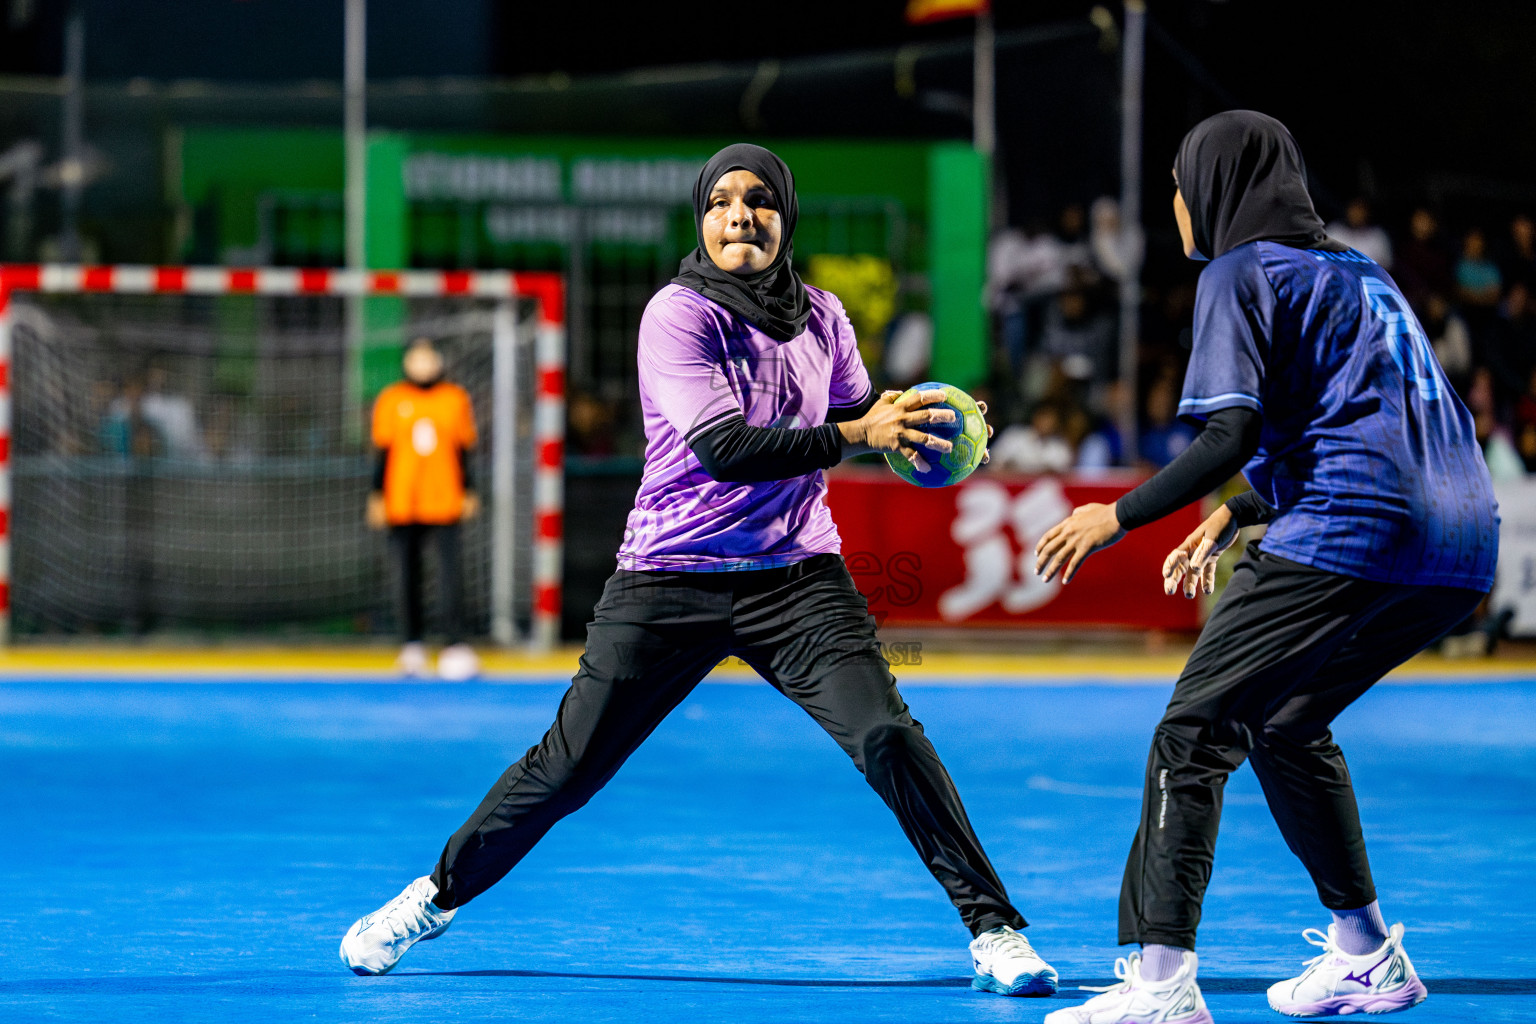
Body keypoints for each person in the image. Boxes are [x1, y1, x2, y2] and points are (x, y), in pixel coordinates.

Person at [339, 144, 1058, 997]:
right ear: (701, 221)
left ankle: (995, 930)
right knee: (566, 769)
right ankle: (433, 897)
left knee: (888, 736)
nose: (739, 215)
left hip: (796, 580)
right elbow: (724, 449)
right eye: (720, 202)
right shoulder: (678, 314)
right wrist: (858, 435)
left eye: (759, 200)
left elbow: (860, 415)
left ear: (786, 217)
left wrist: (930, 421)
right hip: (667, 576)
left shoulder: (824, 317)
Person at [1032, 111, 1499, 1024]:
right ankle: (1365, 955)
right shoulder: (1364, 274)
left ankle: (1159, 983)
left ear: (1212, 187)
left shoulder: (1239, 272)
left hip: (1351, 525)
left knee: (1192, 732)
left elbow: (1231, 429)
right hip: (1461, 539)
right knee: (1286, 722)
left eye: (1178, 183)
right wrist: (1243, 511)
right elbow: (1361, 422)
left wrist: (1116, 515)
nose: (1173, 202)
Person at [368, 338, 481, 681]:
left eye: (429, 356)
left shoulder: (454, 398)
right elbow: (382, 452)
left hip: (444, 497)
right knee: (406, 574)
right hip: (403, 500)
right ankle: (412, 645)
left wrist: (469, 489)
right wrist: (376, 495)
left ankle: (453, 645)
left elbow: (464, 449)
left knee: (450, 574)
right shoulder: (391, 399)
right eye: (417, 357)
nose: (423, 363)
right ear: (407, 362)